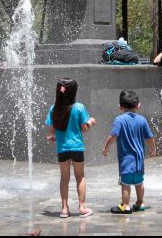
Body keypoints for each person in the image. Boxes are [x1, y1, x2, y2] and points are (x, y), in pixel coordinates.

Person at [45, 77, 96, 218]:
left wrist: (53, 136)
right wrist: (91, 121)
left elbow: (53, 130)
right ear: (74, 92)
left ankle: (64, 209)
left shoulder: (54, 108)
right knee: (80, 176)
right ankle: (82, 207)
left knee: (64, 178)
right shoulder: (79, 107)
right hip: (77, 148)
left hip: (62, 149)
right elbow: (84, 128)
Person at [102, 90, 156, 214]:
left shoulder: (119, 120)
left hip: (126, 159)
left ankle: (125, 205)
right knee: (139, 182)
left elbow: (113, 135)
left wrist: (106, 147)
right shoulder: (142, 120)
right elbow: (150, 138)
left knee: (125, 183)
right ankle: (140, 203)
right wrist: (153, 149)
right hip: (139, 160)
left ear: (120, 107)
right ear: (138, 106)